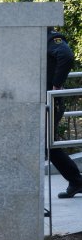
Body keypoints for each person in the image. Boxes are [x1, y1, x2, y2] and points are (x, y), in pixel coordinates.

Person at [47, 27, 82, 198]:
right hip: (43, 101)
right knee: (48, 145)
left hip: (50, 101)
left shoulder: (52, 39)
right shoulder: (38, 39)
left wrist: (56, 85)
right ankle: (76, 181)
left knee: (47, 144)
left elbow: (66, 56)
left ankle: (76, 181)